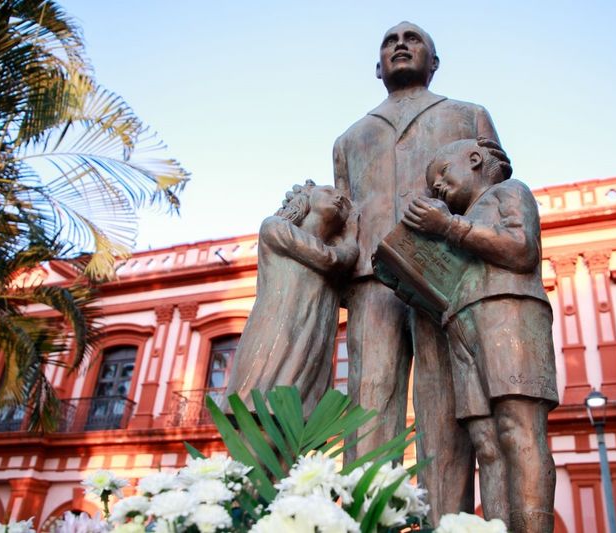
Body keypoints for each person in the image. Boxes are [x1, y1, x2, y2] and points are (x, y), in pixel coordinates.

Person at [333, 21, 501, 522]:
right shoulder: (349, 138)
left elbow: (494, 188)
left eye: (413, 39)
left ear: (434, 61)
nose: (400, 45)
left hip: (446, 270)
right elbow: (342, 215)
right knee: (368, 399)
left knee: (446, 400)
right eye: (390, 41)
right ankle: (368, 521)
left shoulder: (469, 114)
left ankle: (445, 522)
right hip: (371, 279)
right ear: (377, 66)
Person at [402, 138, 558, 532]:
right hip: (462, 323)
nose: (436, 185)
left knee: (516, 428)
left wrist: (447, 226)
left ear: (474, 159)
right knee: (486, 443)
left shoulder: (509, 191)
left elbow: (522, 250)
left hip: (510, 312)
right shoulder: (465, 219)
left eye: (441, 172)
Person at [223, 180, 358, 417]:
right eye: (328, 192)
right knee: (261, 416)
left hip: (313, 344)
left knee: (298, 429)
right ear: (305, 198)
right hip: (276, 336)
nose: (338, 198)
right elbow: (328, 258)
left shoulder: (339, 263)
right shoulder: (276, 228)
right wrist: (351, 241)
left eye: (343, 200)